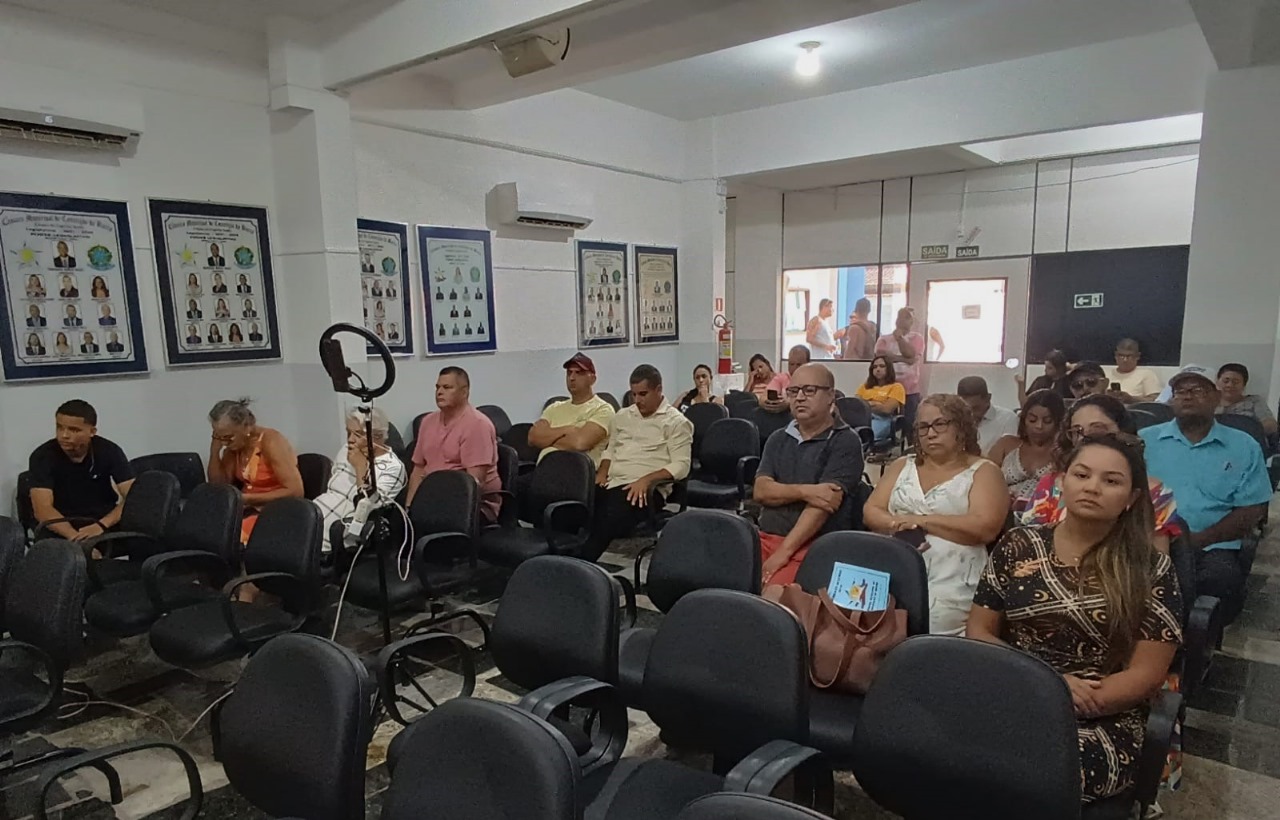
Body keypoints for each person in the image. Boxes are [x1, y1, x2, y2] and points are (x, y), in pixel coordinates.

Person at [968, 435, 1182, 804]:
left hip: (1100, 711)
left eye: (1111, 481)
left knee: (1033, 773)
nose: (1092, 487)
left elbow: (1147, 673)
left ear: (1131, 498)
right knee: (946, 751)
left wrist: (1066, 700)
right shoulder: (1018, 545)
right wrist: (1044, 687)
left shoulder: (1151, 569)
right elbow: (979, 630)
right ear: (1062, 482)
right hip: (1012, 687)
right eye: (1081, 475)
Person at [863, 394, 1007, 635]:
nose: (930, 433)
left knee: (933, 623)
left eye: (940, 424)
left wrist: (919, 521)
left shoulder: (984, 471)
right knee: (865, 622)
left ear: (961, 427)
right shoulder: (902, 465)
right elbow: (871, 511)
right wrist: (896, 524)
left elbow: (984, 528)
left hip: (954, 580)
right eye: (923, 427)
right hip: (892, 569)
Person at [1140, 368, 1273, 619]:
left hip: (1212, 545)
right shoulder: (1144, 441)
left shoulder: (1243, 445)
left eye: (1197, 390)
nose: (1187, 396)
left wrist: (1199, 540)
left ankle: (1197, 639)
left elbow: (1252, 508)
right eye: (1180, 391)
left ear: (1216, 397)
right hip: (1146, 540)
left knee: (1219, 582)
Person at [1023, 395, 1182, 554]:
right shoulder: (1050, 486)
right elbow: (1028, 549)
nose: (1084, 438)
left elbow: (1153, 563)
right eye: (1077, 432)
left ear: (1123, 431)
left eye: (1097, 430)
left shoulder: (1155, 493)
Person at [756, 364, 864, 584]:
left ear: (830, 396)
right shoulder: (778, 438)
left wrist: (783, 553)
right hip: (764, 537)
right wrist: (806, 491)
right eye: (793, 391)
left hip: (813, 545)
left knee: (771, 596)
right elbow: (761, 491)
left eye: (809, 390)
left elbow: (822, 505)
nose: (799, 398)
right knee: (720, 583)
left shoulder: (845, 441)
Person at [586, 365, 693, 560]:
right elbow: (610, 450)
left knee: (608, 514)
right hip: (613, 481)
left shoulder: (677, 422)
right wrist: (602, 471)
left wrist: (646, 480)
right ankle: (563, 557)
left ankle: (581, 562)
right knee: (578, 505)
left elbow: (681, 465)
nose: (637, 400)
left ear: (658, 390)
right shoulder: (622, 416)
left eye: (643, 394)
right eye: (634, 394)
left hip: (646, 490)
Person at [407, 367, 503, 523]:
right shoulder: (427, 422)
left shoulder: (477, 425)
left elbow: (474, 483)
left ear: (464, 392)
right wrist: (409, 509)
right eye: (437, 387)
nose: (439, 392)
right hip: (433, 498)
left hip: (471, 506)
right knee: (398, 524)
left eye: (447, 387)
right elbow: (418, 469)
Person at [29, 400, 134, 541]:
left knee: (142, 539)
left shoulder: (109, 450)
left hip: (102, 520)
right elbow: (43, 510)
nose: (64, 435)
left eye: (74, 430)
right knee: (68, 550)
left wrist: (102, 525)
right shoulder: (42, 456)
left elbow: (133, 497)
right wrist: (76, 538)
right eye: (59, 427)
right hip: (60, 523)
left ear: (92, 432)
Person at [207, 398, 305, 548]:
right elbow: (219, 486)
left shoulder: (271, 441)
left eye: (228, 437)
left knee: (227, 537)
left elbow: (296, 491)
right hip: (248, 509)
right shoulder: (235, 447)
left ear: (246, 427)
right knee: (208, 529)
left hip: (275, 510)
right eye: (219, 437)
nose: (224, 443)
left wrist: (247, 499)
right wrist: (214, 452)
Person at [313, 407, 407, 553]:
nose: (350, 440)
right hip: (314, 517)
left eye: (358, 434)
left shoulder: (392, 467)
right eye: (348, 433)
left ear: (377, 437)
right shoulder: (346, 449)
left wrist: (360, 468)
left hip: (338, 535)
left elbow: (368, 508)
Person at [529, 353, 615, 467]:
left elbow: (580, 443)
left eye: (578, 373)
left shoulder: (603, 409)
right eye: (569, 373)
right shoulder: (554, 407)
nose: (572, 378)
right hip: (544, 470)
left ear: (592, 379)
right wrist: (567, 430)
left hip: (579, 472)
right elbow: (533, 438)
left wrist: (547, 440)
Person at [986, 389, 1066, 510]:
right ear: (1023, 420)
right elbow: (983, 479)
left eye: (1047, 421)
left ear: (1059, 422)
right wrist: (1000, 495)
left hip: (1048, 516)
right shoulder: (1006, 444)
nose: (1039, 426)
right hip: (1001, 512)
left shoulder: (1064, 453)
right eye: (1032, 420)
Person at [874, 307, 927, 429]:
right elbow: (881, 358)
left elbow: (912, 357)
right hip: (887, 387)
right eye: (901, 316)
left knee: (911, 423)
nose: (904, 320)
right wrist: (905, 359)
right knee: (886, 421)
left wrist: (899, 339)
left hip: (910, 389)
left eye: (908, 317)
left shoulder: (917, 338)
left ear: (912, 321)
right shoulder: (884, 339)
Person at [957, 376, 1019, 454]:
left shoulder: (1008, 419)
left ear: (988, 398)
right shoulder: (955, 419)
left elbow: (1011, 455)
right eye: (966, 409)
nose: (971, 414)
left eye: (976, 408)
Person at [1216, 362, 1277, 438]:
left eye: (1235, 382)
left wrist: (1247, 430)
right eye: (1226, 381)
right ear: (1217, 382)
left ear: (1244, 385)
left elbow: (1271, 425)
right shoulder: (1209, 402)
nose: (1230, 385)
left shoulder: (1254, 401)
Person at [856, 355, 905, 444]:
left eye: (882, 366)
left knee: (867, 437)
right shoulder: (865, 386)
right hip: (863, 418)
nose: (878, 369)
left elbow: (887, 409)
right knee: (849, 436)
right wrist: (875, 404)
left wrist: (866, 404)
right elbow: (856, 405)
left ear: (889, 368)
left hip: (883, 419)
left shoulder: (897, 387)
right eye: (875, 367)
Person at [1106, 338, 1161, 404]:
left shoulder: (1147, 374)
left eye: (1129, 356)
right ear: (1115, 355)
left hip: (1134, 409)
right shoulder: (1106, 374)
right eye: (1121, 356)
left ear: (1137, 356)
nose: (1125, 360)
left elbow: (1155, 401)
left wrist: (1132, 399)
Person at [762, 345, 810, 413]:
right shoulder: (781, 378)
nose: (794, 368)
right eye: (791, 364)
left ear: (808, 364)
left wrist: (788, 404)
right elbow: (763, 398)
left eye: (798, 364)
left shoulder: (814, 379)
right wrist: (769, 404)